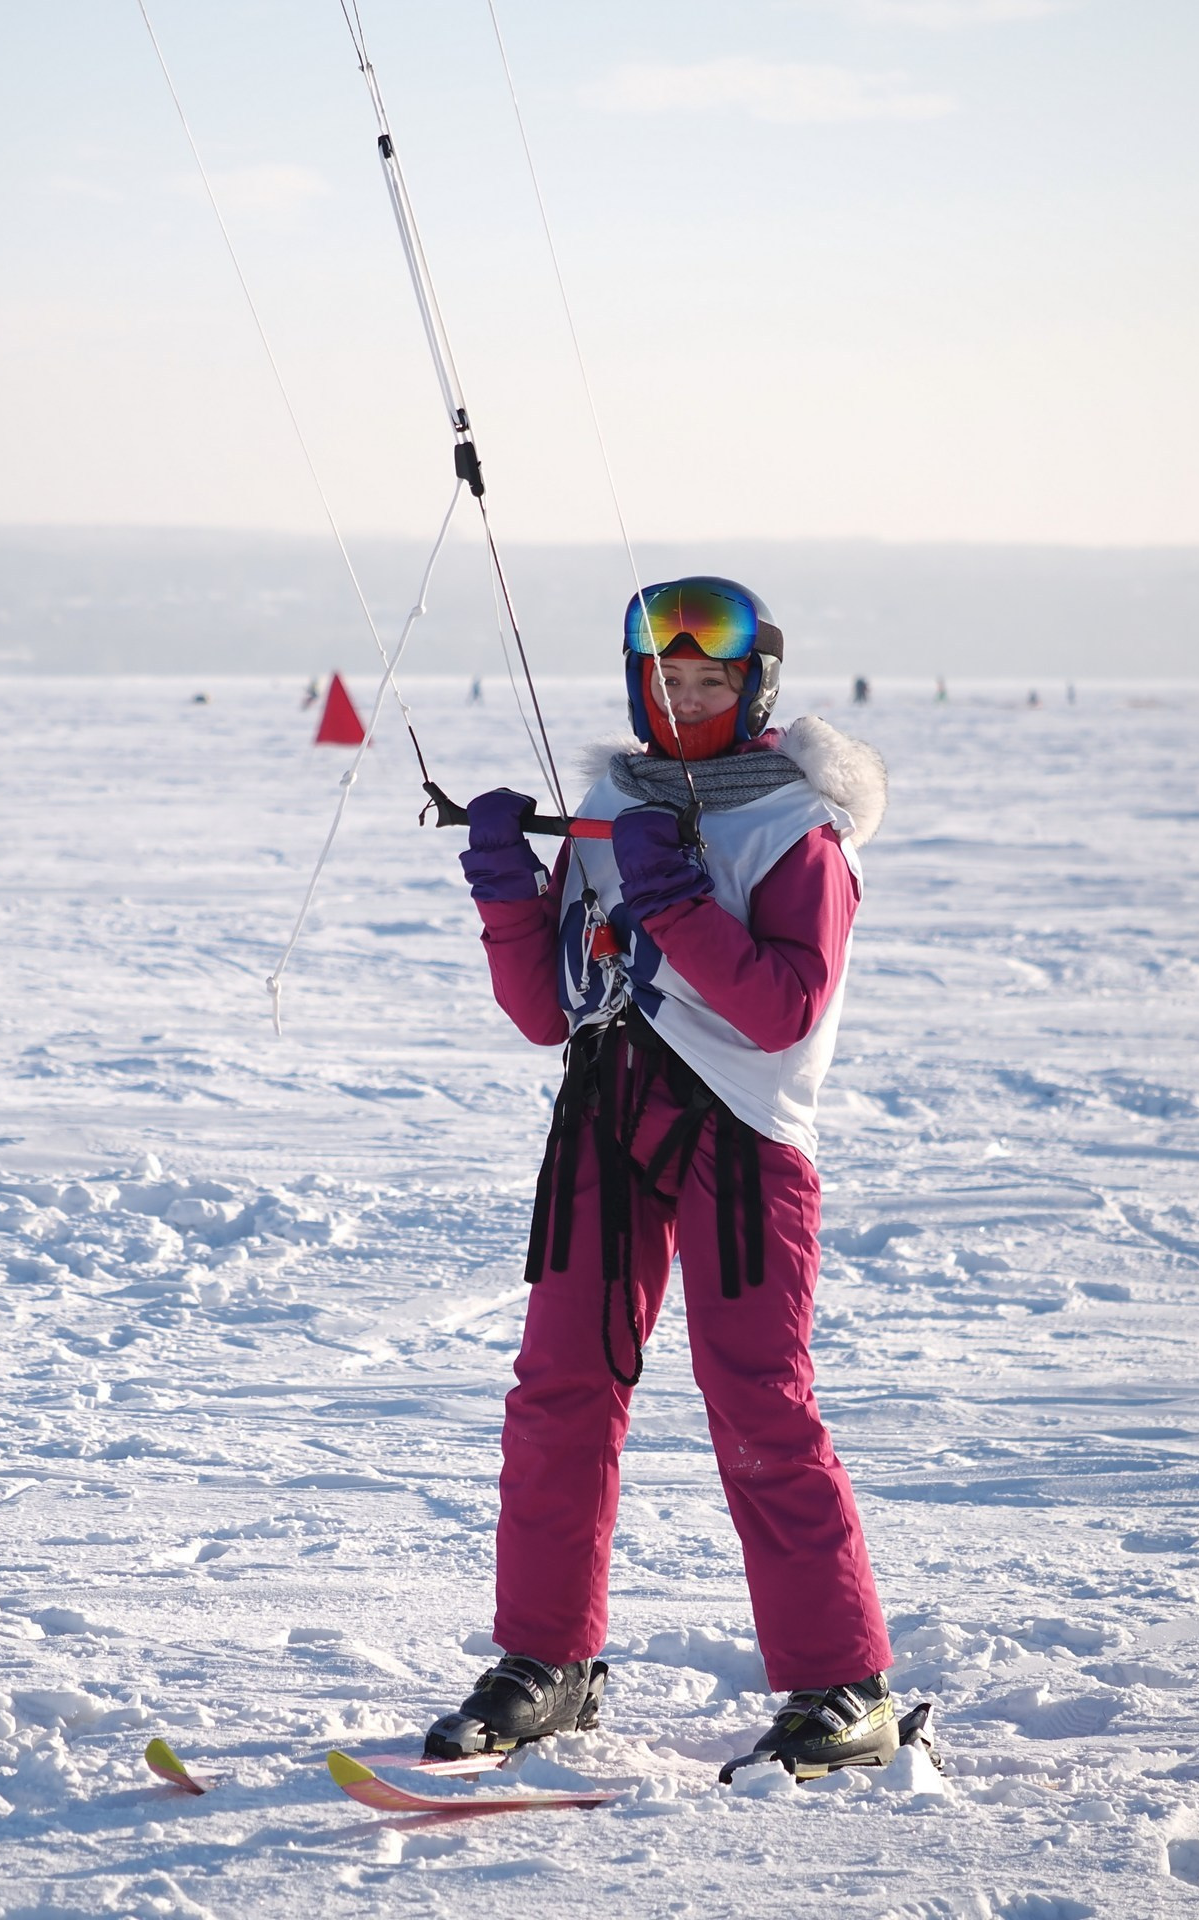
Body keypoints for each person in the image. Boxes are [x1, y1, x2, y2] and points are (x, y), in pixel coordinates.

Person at [440, 576, 899, 1780]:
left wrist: (676, 898)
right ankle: (548, 1664)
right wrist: (503, 892)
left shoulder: (800, 827)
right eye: (665, 679)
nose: (685, 699)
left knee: (757, 1396)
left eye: (708, 681)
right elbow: (545, 1010)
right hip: (602, 1114)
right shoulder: (612, 800)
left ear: (754, 691)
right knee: (557, 1387)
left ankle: (845, 1687)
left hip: (742, 1137)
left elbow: (781, 1009)